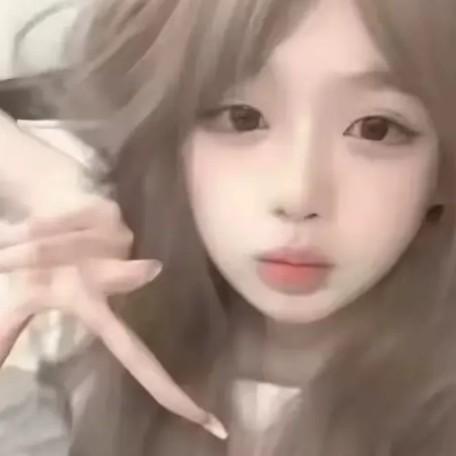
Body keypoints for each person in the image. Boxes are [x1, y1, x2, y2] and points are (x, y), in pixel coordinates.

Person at [3, 0, 456, 454]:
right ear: (171, 139)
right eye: (242, 118)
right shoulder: (89, 317)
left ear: (443, 169)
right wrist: (56, 186)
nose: (298, 196)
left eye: (376, 129)